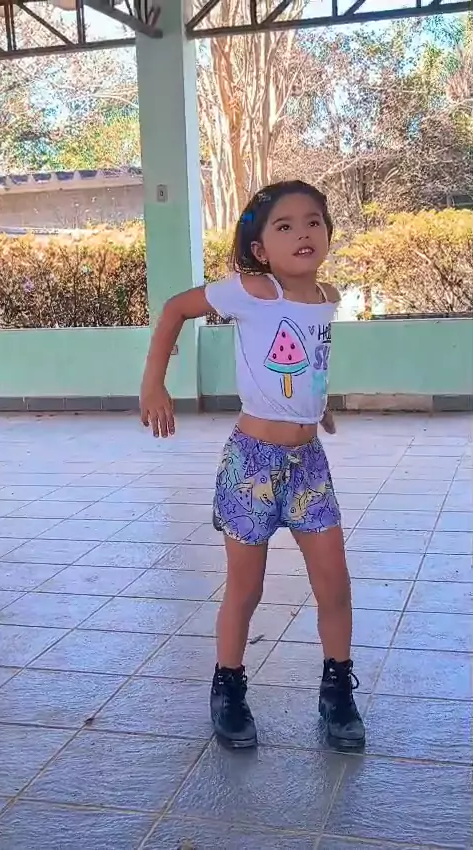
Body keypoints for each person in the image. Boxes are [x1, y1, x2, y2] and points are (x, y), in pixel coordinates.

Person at [140, 180, 365, 752]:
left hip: (308, 465)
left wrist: (315, 405)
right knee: (246, 587)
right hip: (253, 466)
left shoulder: (327, 295)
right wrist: (153, 384)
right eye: (284, 226)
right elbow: (177, 308)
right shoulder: (254, 290)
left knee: (334, 584)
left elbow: (306, 358)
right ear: (261, 248)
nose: (303, 234)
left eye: (313, 222)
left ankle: (337, 692)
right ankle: (228, 688)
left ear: (328, 233)